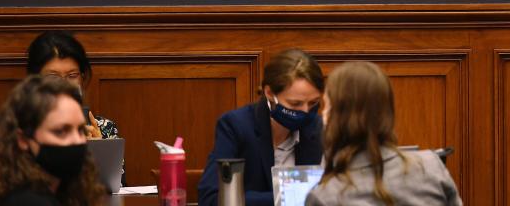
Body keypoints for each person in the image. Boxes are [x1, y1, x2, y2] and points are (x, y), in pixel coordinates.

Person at [305, 61, 462, 206]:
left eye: (326, 107)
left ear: (337, 118)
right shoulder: (431, 166)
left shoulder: (324, 197)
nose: (323, 114)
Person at [197, 48, 325, 206]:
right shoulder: (236, 126)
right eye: (295, 103)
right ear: (270, 93)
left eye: (313, 103)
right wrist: (288, 197)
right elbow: (211, 198)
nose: (306, 111)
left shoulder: (320, 129)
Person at [0, 75, 106, 206]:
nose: (77, 141)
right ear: (23, 139)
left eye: (81, 130)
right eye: (61, 131)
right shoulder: (27, 201)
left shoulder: (60, 191)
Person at [26, 31, 118, 140]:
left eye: (72, 75)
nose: (64, 85)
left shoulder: (104, 129)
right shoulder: (19, 129)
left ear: (82, 77)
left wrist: (98, 149)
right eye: (53, 76)